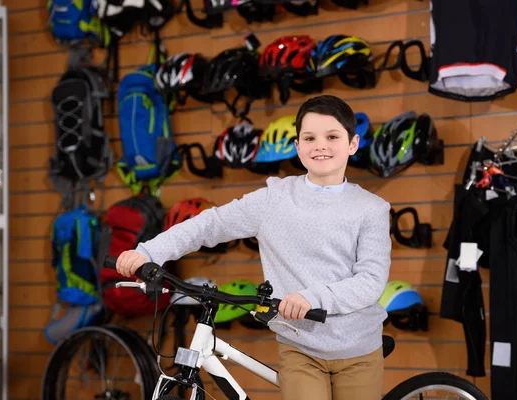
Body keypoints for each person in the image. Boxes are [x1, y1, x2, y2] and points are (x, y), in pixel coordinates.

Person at [116, 95, 392, 400]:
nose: (321, 146)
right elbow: (211, 224)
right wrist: (150, 252)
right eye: (310, 137)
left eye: (332, 136)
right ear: (297, 146)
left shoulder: (371, 209)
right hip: (300, 346)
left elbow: (370, 281)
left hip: (358, 349)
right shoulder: (274, 199)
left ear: (352, 144)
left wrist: (312, 298)